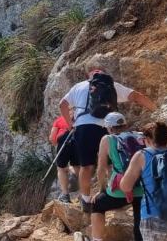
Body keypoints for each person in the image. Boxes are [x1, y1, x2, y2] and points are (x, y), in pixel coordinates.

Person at [59, 69, 156, 212]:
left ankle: (86, 201)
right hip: (107, 126)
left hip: (84, 128)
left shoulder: (78, 87)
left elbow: (62, 105)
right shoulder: (111, 86)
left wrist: (70, 125)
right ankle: (113, 193)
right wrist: (156, 109)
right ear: (104, 76)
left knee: (86, 166)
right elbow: (136, 96)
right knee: (111, 163)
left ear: (90, 77)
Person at [90, 113, 148, 241]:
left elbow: (101, 167)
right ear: (125, 124)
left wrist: (101, 190)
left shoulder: (107, 139)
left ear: (108, 127)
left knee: (97, 205)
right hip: (141, 189)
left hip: (120, 189)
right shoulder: (139, 136)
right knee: (140, 232)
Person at [49, 115, 76, 203]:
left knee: (61, 168)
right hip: (78, 139)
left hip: (64, 142)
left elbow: (52, 138)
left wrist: (56, 142)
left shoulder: (59, 120)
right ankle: (84, 194)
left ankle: (65, 194)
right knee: (78, 166)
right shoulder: (81, 118)